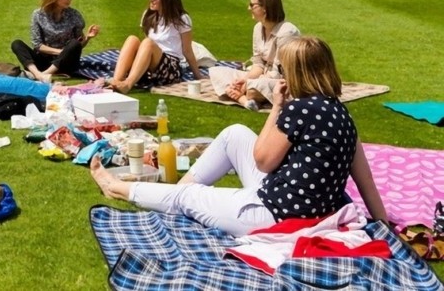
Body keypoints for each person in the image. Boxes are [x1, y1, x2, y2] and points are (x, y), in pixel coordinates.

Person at [90, 36, 388, 237]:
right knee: (234, 134)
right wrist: (384, 227)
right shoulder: (343, 115)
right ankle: (178, 198)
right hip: (309, 209)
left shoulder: (299, 108)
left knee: (191, 196)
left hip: (278, 216)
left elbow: (263, 160)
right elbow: (366, 181)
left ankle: (117, 188)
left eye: (283, 68)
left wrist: (277, 107)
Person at [98, 0, 202, 93]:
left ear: (166, 0)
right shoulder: (149, 15)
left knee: (148, 43)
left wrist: (198, 76)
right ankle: (116, 81)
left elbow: (187, 50)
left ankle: (127, 84)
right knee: (132, 39)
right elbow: (144, 49)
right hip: (151, 66)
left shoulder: (182, 19)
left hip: (171, 68)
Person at [209, 0, 300, 110]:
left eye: (252, 5)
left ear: (265, 8)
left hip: (283, 80)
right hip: (264, 76)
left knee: (253, 89)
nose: (248, 8)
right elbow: (258, 64)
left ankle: (244, 99)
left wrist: (248, 84)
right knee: (217, 72)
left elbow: (279, 73)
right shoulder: (258, 28)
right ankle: (246, 99)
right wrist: (243, 80)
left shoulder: (287, 32)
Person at [11, 0, 99, 83]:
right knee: (17, 44)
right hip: (44, 61)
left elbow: (77, 47)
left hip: (66, 64)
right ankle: (38, 74)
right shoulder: (38, 15)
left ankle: (43, 74)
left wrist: (88, 38)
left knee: (74, 43)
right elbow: (38, 45)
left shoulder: (74, 15)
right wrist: (61, 52)